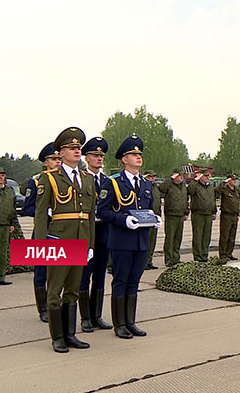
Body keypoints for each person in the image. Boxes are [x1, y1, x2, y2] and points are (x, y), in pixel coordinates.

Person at [34, 127, 95, 353]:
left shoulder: (87, 179)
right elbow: (41, 215)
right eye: (71, 148)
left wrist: (90, 244)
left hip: (81, 239)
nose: (77, 151)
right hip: (59, 239)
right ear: (61, 153)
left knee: (73, 289)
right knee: (55, 290)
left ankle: (70, 334)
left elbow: (90, 215)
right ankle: (57, 337)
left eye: (78, 147)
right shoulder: (49, 178)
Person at [97, 134, 161, 340]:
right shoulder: (113, 182)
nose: (138, 157)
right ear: (124, 159)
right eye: (133, 154)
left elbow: (147, 209)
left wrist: (154, 219)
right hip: (122, 239)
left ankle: (130, 321)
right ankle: (120, 324)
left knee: (135, 280)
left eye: (139, 154)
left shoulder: (145, 183)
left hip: (142, 239)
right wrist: (123, 220)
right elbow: (103, 211)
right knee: (121, 279)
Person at [22, 142, 62, 323]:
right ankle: (43, 308)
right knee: (41, 272)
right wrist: (45, 211)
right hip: (43, 232)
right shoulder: (36, 181)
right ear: (46, 162)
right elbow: (27, 208)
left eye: (59, 159)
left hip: (62, 232)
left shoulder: (66, 180)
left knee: (61, 271)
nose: (57, 162)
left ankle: (56, 303)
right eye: (54, 159)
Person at [78, 136, 113, 333]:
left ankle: (96, 314)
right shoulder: (80, 178)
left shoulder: (107, 181)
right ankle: (85, 318)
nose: (99, 158)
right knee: (84, 274)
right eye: (94, 155)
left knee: (100, 272)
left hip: (103, 231)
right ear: (87, 157)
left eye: (101, 155)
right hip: (85, 231)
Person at [0, 165, 20, 288]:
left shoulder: (9, 190)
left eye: (3, 175)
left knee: (2, 254)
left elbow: (12, 209)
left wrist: (13, 223)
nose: (1, 177)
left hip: (5, 225)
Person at [159, 168, 189, 267]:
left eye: (182, 176)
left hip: (180, 215)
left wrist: (186, 212)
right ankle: (168, 258)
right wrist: (171, 179)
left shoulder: (183, 186)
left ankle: (176, 258)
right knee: (170, 238)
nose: (181, 178)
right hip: (171, 215)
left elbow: (185, 200)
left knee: (178, 238)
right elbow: (161, 188)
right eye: (179, 176)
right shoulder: (169, 185)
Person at [187, 169, 216, 262]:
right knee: (198, 236)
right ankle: (198, 256)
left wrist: (214, 211)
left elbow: (212, 200)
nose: (207, 178)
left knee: (206, 236)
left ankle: (204, 255)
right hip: (198, 214)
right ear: (200, 176)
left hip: (208, 214)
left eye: (208, 176)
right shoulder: (195, 185)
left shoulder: (210, 187)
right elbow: (190, 191)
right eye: (205, 176)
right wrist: (195, 180)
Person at [215, 173, 240, 263]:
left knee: (232, 236)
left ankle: (229, 253)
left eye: (235, 180)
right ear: (229, 181)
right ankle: (222, 254)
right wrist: (224, 182)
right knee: (224, 236)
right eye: (233, 180)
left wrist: (238, 214)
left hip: (234, 216)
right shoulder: (225, 189)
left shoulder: (236, 191)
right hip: (226, 215)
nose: (235, 181)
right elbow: (217, 191)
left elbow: (237, 203)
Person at [143, 171, 161, 270]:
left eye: (153, 177)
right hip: (146, 217)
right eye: (150, 177)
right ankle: (144, 262)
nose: (153, 179)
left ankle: (149, 261)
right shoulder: (143, 186)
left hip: (154, 217)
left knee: (152, 241)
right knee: (146, 240)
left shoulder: (156, 188)